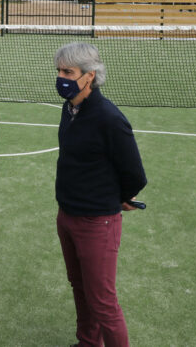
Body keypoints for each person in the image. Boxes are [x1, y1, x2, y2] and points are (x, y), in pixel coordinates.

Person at [53, 42, 147, 347]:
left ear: (89, 75)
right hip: (67, 215)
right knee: (79, 287)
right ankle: (88, 343)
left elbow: (135, 173)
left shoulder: (109, 118)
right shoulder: (70, 108)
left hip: (97, 223)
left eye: (68, 72)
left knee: (103, 302)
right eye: (59, 71)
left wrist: (120, 197)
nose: (61, 78)